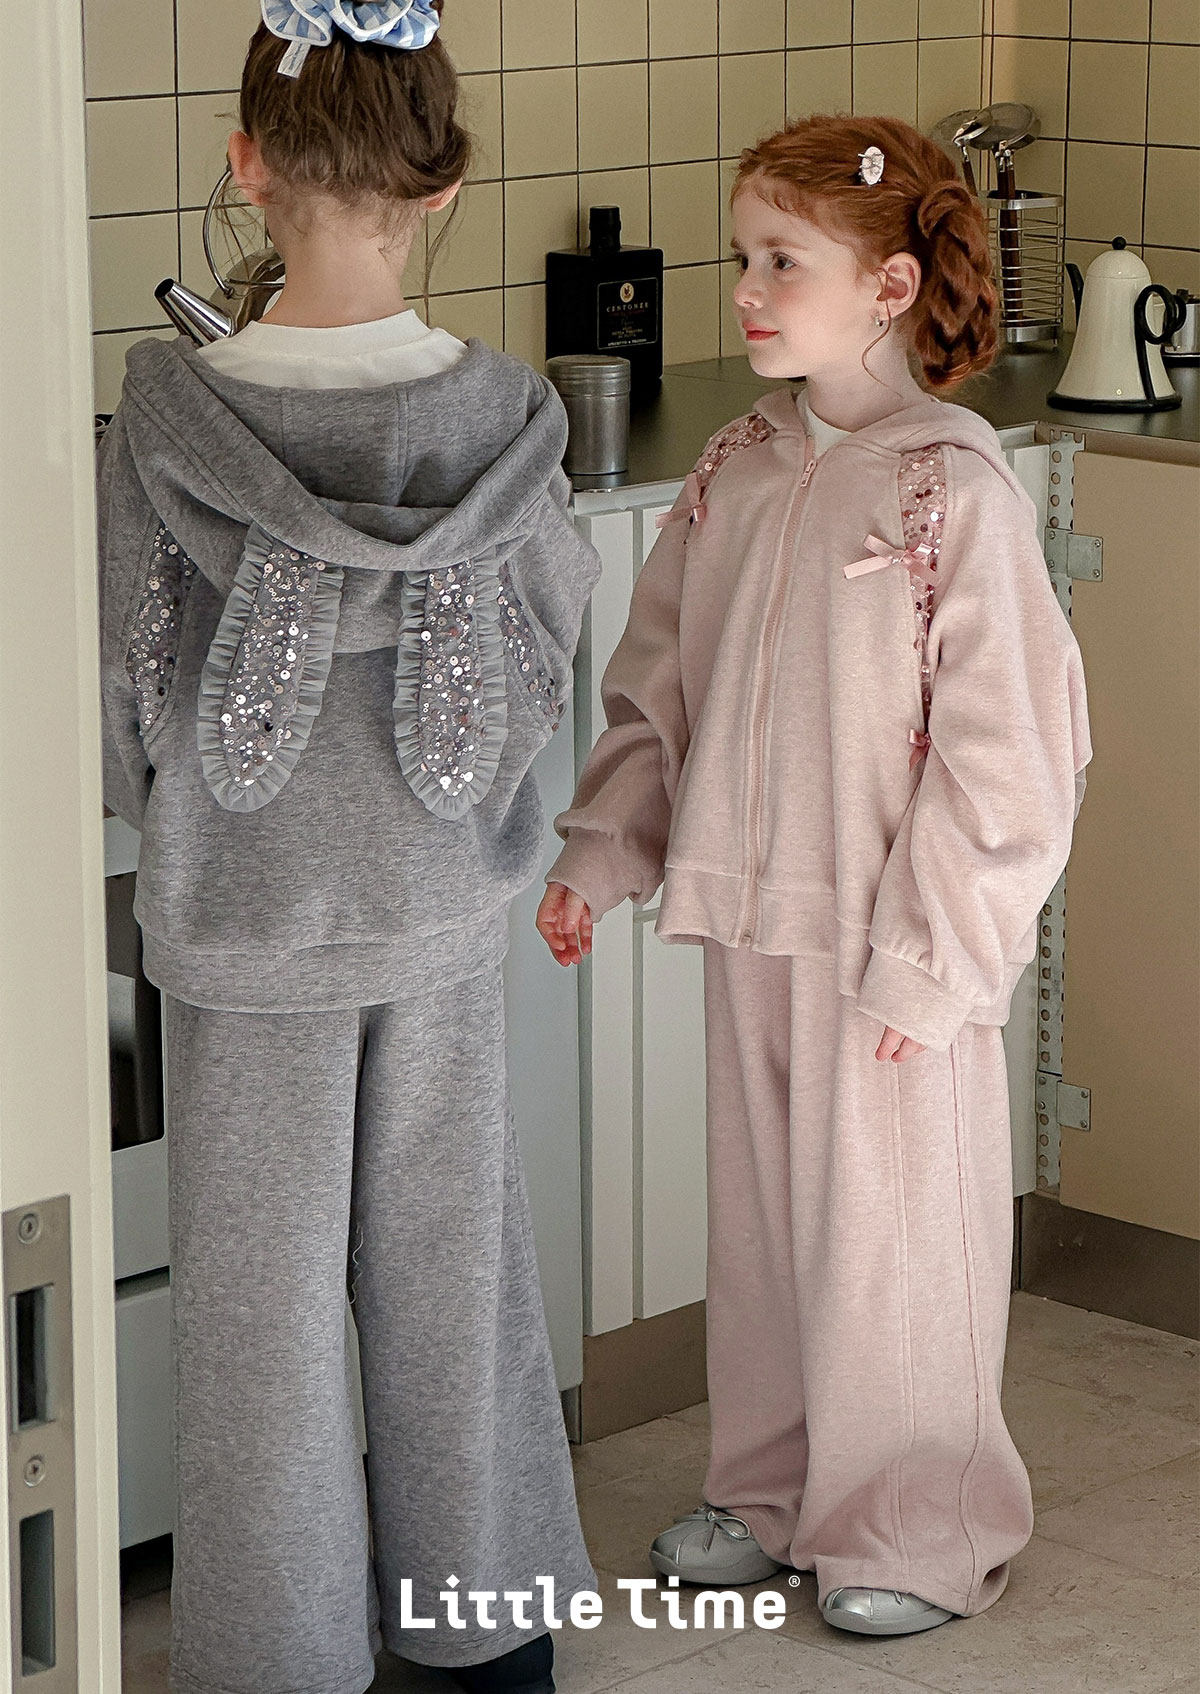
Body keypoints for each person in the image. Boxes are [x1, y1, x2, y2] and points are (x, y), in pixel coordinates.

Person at [97, 4, 598, 1691]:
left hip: (242, 926)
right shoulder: (509, 415)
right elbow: (541, 668)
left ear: (246, 166)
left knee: (261, 1316)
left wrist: (195, 814)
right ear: (442, 183)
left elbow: (134, 686)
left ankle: (280, 1657)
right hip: (437, 913)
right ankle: (488, 1648)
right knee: (456, 1281)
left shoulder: (169, 418)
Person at [537, 113, 1091, 1639]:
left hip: (895, 948)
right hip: (750, 915)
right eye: (745, 258)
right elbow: (659, 692)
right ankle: (774, 1488)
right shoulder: (737, 470)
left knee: (897, 1250)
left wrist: (938, 957)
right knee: (771, 1235)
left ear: (890, 287)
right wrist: (605, 848)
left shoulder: (954, 494)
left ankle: (918, 1522)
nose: (746, 291)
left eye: (783, 261)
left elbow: (1014, 761)